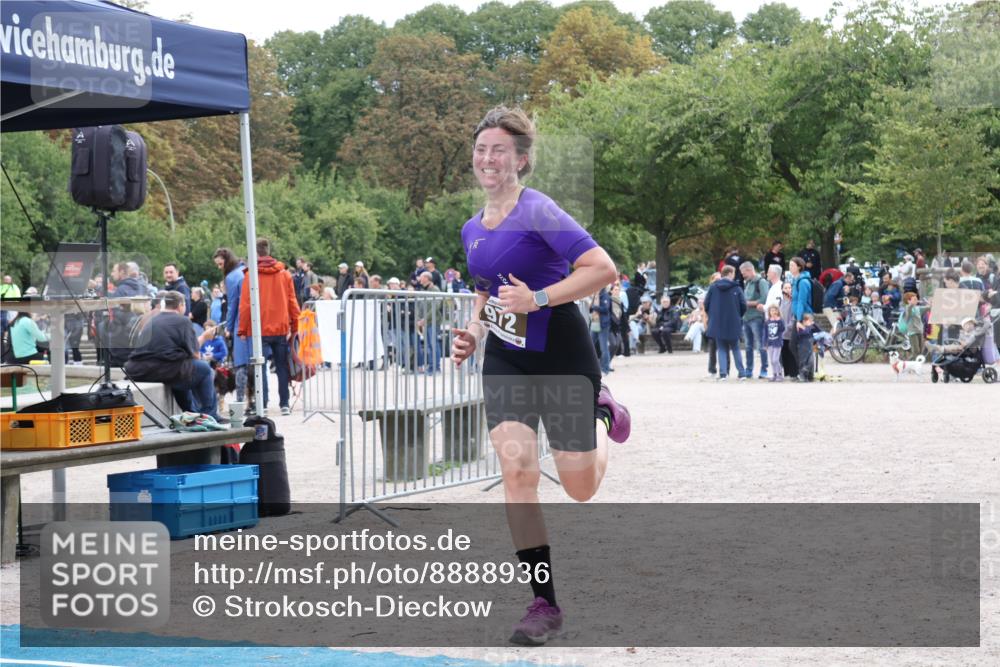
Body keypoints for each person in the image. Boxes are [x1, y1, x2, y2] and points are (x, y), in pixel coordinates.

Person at [450, 106, 630, 647]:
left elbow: (602, 268)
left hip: (562, 353)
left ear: (521, 159)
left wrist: (540, 298)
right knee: (518, 473)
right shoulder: (471, 228)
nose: (488, 158)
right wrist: (474, 333)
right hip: (507, 359)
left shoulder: (540, 211)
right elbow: (485, 289)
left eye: (499, 150)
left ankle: (601, 412)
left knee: (578, 487)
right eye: (481, 149)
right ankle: (543, 603)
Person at [125, 291, 223, 421]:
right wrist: (204, 337)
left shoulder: (153, 319)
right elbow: (195, 355)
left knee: (184, 370)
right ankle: (209, 415)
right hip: (164, 368)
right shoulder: (183, 321)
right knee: (204, 369)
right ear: (181, 305)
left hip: (138, 369)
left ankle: (191, 413)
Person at [238, 238, 300, 416]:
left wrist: (242, 329)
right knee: (281, 366)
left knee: (261, 367)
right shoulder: (284, 274)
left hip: (259, 329)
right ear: (268, 251)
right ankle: (284, 404)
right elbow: (292, 301)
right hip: (280, 328)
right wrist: (295, 325)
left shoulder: (251, 275)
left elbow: (245, 305)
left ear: (256, 253)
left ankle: (263, 403)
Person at [214, 248, 251, 404]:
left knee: (240, 364)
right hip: (255, 322)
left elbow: (232, 305)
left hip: (240, 323)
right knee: (257, 364)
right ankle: (261, 400)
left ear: (226, 261)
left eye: (220, 264)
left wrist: (228, 328)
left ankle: (240, 400)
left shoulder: (231, 277)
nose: (219, 267)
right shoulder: (246, 271)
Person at [705, 265, 747, 380]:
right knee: (735, 348)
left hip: (718, 322)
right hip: (733, 321)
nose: (734, 275)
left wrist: (713, 315)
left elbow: (706, 303)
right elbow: (743, 305)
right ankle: (741, 373)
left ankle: (723, 374)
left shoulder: (713, 287)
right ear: (730, 273)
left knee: (721, 349)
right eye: (734, 273)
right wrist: (738, 316)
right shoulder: (736, 288)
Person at [740, 262, 770, 379]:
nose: (743, 276)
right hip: (746, 318)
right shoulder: (747, 283)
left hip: (757, 317)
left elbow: (764, 298)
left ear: (749, 270)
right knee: (748, 346)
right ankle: (749, 370)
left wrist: (748, 303)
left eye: (744, 273)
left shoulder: (761, 282)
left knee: (761, 345)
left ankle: (764, 369)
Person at [788, 256, 814, 380]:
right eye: (789, 265)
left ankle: (805, 372)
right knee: (795, 345)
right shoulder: (795, 280)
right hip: (798, 316)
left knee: (802, 346)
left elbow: (802, 302)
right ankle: (804, 372)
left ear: (799, 266)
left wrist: (798, 320)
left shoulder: (803, 282)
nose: (790, 267)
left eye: (792, 265)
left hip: (804, 317)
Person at [589, 287, 612, 373]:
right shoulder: (595, 295)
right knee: (589, 345)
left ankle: (605, 368)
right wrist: (592, 307)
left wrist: (594, 307)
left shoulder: (605, 295)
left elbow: (605, 309)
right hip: (595, 323)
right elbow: (591, 309)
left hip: (603, 324)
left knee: (604, 348)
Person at [796, 313, 820, 381]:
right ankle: (802, 375)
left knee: (811, 362)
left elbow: (819, 330)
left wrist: (814, 324)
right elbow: (805, 333)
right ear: (803, 321)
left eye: (810, 321)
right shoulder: (800, 329)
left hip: (810, 348)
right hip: (802, 348)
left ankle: (809, 376)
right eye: (808, 321)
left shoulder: (811, 327)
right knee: (803, 362)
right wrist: (805, 327)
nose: (810, 322)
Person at [764, 305, 785, 382]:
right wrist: (765, 343)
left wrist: (779, 321)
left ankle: (779, 374)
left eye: (774, 310)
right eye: (771, 310)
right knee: (772, 360)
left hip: (777, 342)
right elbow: (765, 333)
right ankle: (774, 374)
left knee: (775, 359)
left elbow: (783, 329)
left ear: (777, 311)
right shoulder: (767, 321)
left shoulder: (780, 320)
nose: (773, 312)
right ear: (769, 312)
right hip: (770, 343)